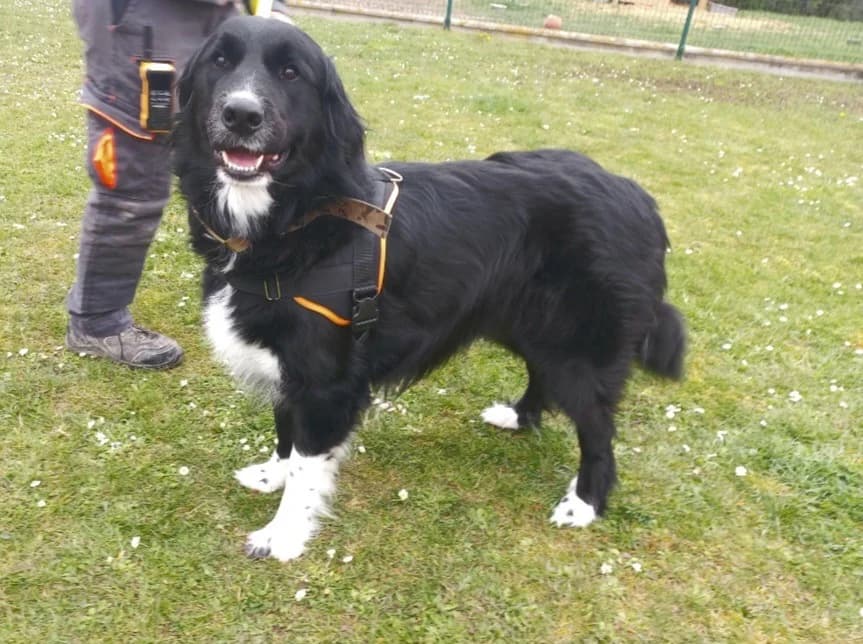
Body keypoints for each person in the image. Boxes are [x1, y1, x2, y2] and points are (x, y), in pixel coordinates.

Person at [65, 0, 290, 369]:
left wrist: (271, 9)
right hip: (145, 35)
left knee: (222, 169)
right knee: (131, 192)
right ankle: (97, 321)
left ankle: (244, 290)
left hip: (215, 31)